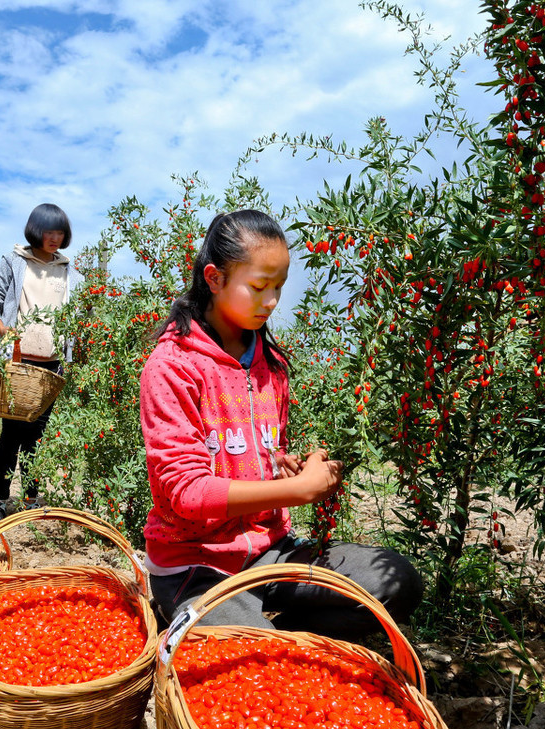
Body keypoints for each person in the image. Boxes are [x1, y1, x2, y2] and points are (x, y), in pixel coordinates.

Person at [139, 209, 423, 638]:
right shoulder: (173, 366)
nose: (271, 301)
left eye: (278, 287)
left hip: (269, 553)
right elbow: (183, 491)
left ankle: (275, 632)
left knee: (395, 582)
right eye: (258, 286)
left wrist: (285, 467)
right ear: (214, 279)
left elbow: (257, 456)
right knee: (255, 659)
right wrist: (295, 490)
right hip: (196, 564)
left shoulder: (271, 366)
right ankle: (214, 621)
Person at [0, 203, 72, 520]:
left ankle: (31, 499)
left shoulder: (65, 268)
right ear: (35, 230)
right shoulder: (14, 261)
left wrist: (68, 357)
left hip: (51, 365)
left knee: (37, 435)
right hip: (18, 362)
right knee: (12, 432)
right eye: (49, 231)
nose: (54, 238)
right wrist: (3, 329)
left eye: (60, 232)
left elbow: (69, 316)